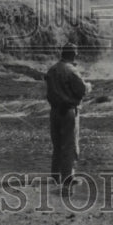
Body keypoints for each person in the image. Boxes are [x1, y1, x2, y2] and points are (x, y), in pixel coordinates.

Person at [45, 42, 89, 193]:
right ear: (73, 54)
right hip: (69, 111)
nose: (77, 55)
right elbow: (81, 90)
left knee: (57, 145)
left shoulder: (52, 70)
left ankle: (55, 176)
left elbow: (49, 93)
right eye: (76, 53)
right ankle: (68, 177)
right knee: (69, 144)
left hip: (54, 111)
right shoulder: (71, 70)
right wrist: (89, 86)